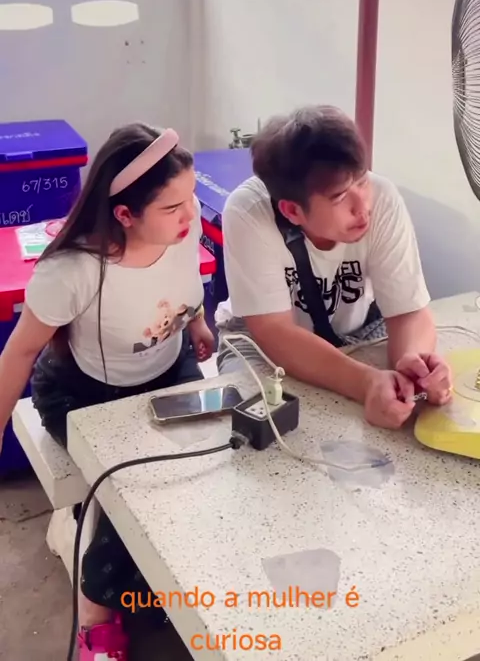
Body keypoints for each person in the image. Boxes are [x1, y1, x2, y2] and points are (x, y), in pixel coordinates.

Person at [0, 123, 214, 661]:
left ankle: (146, 578)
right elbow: (18, 353)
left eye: (190, 197)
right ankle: (94, 613)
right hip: (83, 392)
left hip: (168, 371)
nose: (190, 215)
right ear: (124, 214)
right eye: (172, 207)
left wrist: (196, 324)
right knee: (136, 489)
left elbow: (184, 287)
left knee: (204, 467)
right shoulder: (73, 270)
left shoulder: (183, 229)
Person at [215, 105, 453, 429]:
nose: (363, 206)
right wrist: (366, 383)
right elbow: (274, 331)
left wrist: (414, 368)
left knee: (404, 416)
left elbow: (408, 311)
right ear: (292, 211)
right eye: (340, 197)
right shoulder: (248, 212)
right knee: (263, 427)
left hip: (356, 327)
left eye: (362, 180)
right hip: (259, 340)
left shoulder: (383, 198)